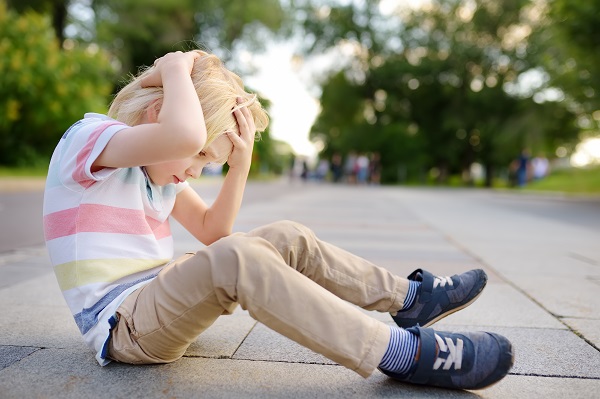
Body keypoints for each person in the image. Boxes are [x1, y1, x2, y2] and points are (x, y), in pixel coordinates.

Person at [43, 50, 513, 390]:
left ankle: (410, 298)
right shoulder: (90, 140)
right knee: (237, 258)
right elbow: (183, 138)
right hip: (124, 326)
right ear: (158, 112)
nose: (194, 170)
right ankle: (400, 353)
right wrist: (173, 66)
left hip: (157, 302)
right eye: (202, 156)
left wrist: (240, 165)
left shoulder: (156, 175)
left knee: (286, 236)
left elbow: (213, 231)